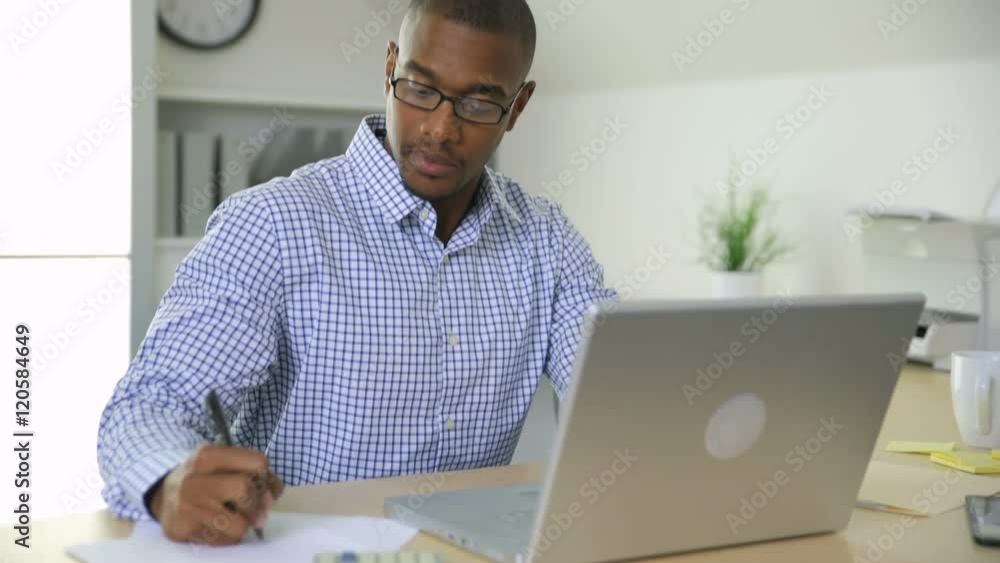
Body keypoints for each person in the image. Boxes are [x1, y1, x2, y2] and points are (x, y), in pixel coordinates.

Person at [97, 0, 615, 545]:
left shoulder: (546, 240)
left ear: (518, 105)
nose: (441, 129)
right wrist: (168, 481)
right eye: (421, 89)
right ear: (390, 67)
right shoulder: (273, 223)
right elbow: (151, 405)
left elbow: (621, 397)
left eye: (479, 104)